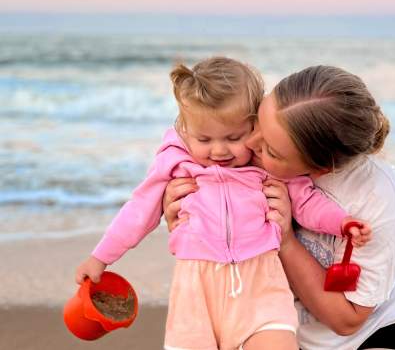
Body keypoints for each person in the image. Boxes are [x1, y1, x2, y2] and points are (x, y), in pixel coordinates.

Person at [74, 57, 371, 350]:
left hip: (261, 284)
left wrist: (342, 222)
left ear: (254, 126)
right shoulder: (176, 163)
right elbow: (140, 210)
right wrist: (101, 258)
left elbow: (307, 202)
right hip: (196, 289)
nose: (219, 150)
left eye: (234, 137)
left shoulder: (267, 163)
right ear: (185, 129)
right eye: (204, 139)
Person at [164, 65, 395, 350]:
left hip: (366, 336)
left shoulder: (372, 196)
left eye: (271, 150)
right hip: (272, 326)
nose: (248, 142)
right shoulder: (254, 142)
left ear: (315, 169)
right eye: (257, 121)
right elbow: (196, 138)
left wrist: (285, 239)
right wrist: (177, 202)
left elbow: (348, 320)